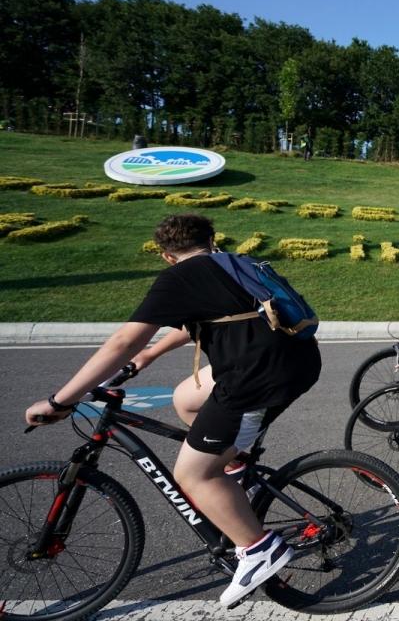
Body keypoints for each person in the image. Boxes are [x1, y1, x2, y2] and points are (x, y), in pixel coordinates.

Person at [24, 214, 321, 607]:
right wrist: (148, 356)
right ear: (211, 239)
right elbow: (189, 324)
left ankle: (259, 548)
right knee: (186, 398)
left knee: (191, 473)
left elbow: (121, 342)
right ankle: (235, 468)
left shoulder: (179, 276)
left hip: (258, 376)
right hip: (289, 358)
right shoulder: (231, 263)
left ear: (166, 255)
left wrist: (61, 400)